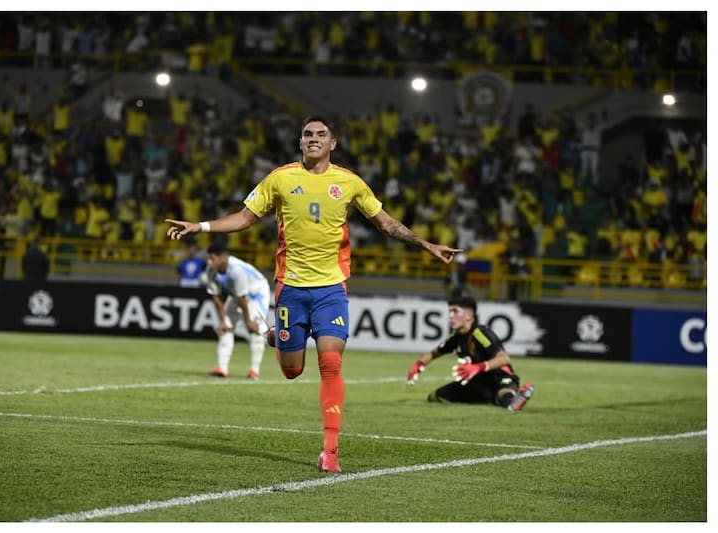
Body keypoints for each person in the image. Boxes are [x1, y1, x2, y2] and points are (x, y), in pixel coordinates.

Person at [164, 115, 461, 473]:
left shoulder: (349, 183)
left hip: (331, 290)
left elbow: (386, 224)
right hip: (290, 289)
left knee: (331, 364)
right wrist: (200, 226)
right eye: (308, 134)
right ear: (300, 142)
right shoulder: (281, 178)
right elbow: (244, 218)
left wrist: (425, 244)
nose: (314, 139)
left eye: (321, 135)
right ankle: (280, 338)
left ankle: (331, 451)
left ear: (332, 144)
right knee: (292, 371)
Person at [406, 295, 534, 412]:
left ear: (468, 315)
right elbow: (433, 353)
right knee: (435, 396)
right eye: (450, 311)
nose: (450, 315)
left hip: (499, 377)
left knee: (504, 395)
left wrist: (477, 367)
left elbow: (504, 359)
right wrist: (418, 365)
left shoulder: (479, 333)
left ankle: (514, 400)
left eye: (455, 311)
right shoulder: (456, 338)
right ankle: (493, 398)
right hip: (478, 383)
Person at [203, 242, 270, 380]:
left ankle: (254, 372)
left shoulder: (236, 270)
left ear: (222, 258)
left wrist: (248, 321)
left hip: (256, 294)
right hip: (238, 296)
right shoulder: (210, 271)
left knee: (255, 330)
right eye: (209, 258)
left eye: (212, 258)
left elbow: (243, 298)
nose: (209, 262)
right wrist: (222, 321)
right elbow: (216, 297)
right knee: (226, 327)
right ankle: (222, 369)